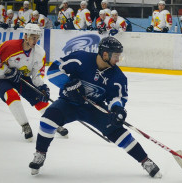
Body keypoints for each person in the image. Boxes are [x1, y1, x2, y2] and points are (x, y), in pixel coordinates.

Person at [28, 37, 162, 179]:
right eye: (116, 56)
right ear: (105, 54)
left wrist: (117, 109)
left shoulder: (118, 77)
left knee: (118, 131)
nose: (118, 60)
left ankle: (145, 161)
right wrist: (68, 84)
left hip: (94, 108)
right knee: (48, 119)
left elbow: (117, 98)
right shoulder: (81, 58)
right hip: (68, 102)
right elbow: (54, 70)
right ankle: (40, 153)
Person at [0, 23, 68, 142]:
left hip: (22, 79)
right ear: (25, 36)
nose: (35, 40)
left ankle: (53, 123)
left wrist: (42, 87)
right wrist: (7, 71)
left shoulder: (40, 53)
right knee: (12, 95)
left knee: (39, 98)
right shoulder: (8, 46)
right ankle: (25, 126)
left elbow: (37, 74)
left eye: (37, 37)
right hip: (1, 79)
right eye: (33, 37)